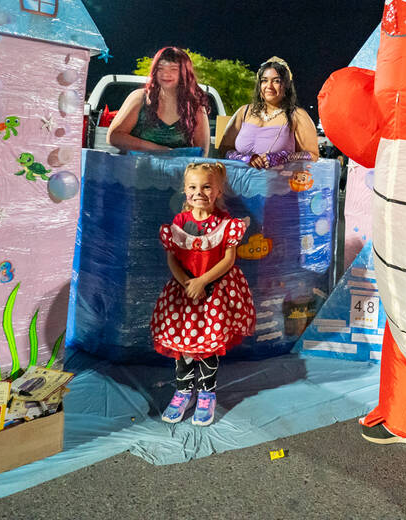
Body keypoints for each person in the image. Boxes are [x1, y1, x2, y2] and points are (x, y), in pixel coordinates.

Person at [151, 162, 255, 426]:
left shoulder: (226, 225)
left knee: (208, 346)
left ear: (218, 190)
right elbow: (173, 258)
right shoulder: (178, 222)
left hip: (215, 295)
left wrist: (203, 282)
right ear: (185, 190)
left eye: (207, 186)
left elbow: (229, 260)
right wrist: (187, 283)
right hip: (184, 295)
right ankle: (183, 391)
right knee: (183, 345)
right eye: (193, 187)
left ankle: (207, 394)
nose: (200, 192)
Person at [217, 56, 319, 168]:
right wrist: (243, 158)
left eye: (276, 81)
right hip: (238, 184)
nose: (269, 86)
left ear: (286, 86)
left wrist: (284, 157)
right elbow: (223, 149)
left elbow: (313, 156)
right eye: (264, 80)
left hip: (278, 184)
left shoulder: (297, 115)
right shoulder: (244, 112)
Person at [106, 47, 210, 153]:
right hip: (136, 167)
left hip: (177, 169)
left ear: (184, 73)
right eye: (161, 69)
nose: (165, 74)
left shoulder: (195, 107)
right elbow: (114, 136)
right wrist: (161, 150)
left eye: (173, 69)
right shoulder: (140, 98)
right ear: (155, 71)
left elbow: (202, 152)